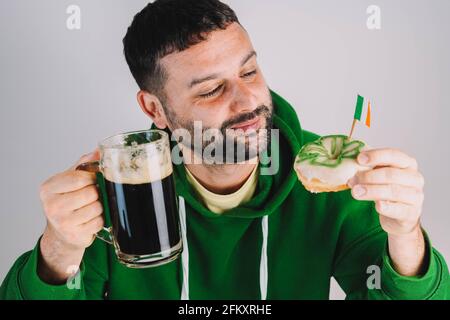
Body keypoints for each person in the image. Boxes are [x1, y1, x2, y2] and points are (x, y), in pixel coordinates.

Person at [1, 0, 448, 300]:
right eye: (213, 89)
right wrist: (58, 251)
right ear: (154, 108)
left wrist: (406, 236)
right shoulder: (117, 193)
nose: (247, 103)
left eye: (249, 71)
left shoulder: (334, 181)